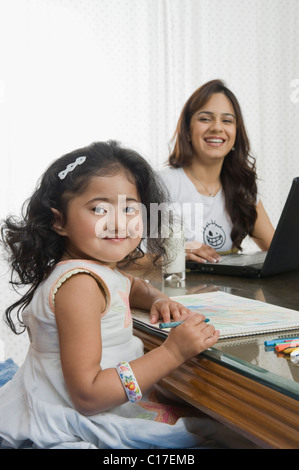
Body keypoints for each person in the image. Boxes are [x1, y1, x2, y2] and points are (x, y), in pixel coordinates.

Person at [0, 140, 228, 449]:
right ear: (59, 220)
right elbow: (88, 396)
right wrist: (172, 353)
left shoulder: (96, 269)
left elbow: (130, 286)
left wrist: (157, 299)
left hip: (98, 399)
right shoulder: (79, 285)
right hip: (73, 417)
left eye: (130, 208)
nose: (119, 221)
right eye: (99, 209)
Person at [160, 79, 275, 264]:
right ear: (188, 130)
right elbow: (129, 259)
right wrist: (172, 255)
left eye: (227, 120)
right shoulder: (164, 184)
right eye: (205, 119)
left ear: (236, 133)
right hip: (175, 292)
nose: (217, 127)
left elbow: (279, 252)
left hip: (229, 293)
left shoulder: (243, 189)